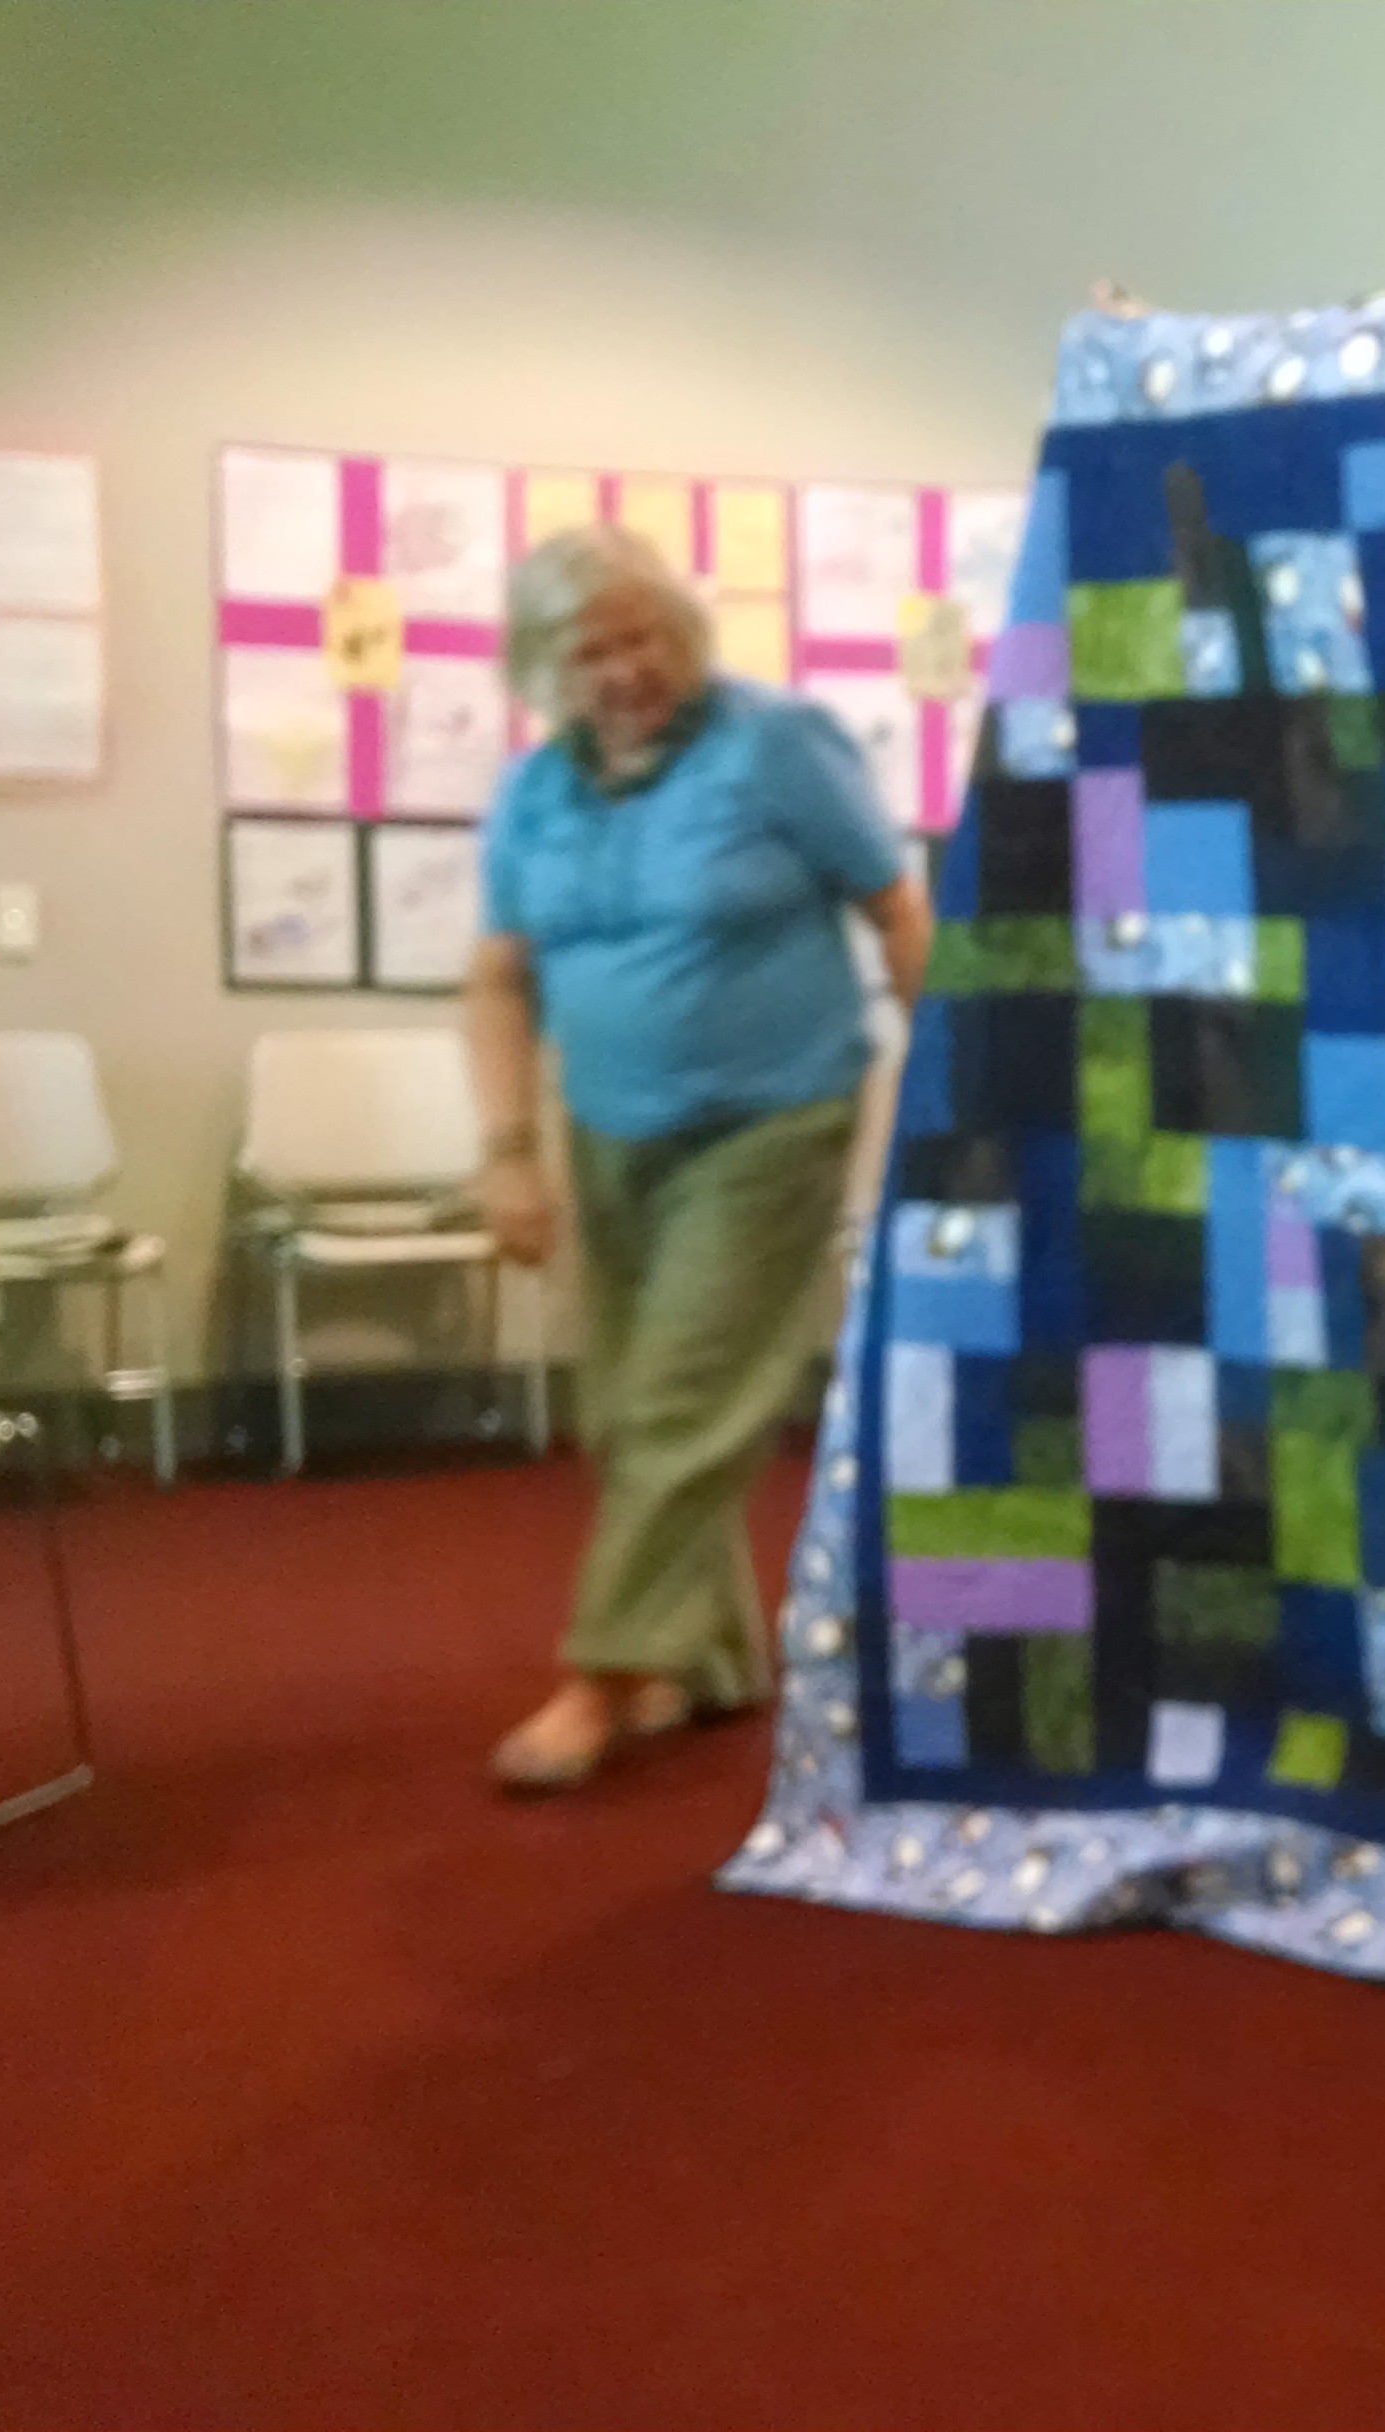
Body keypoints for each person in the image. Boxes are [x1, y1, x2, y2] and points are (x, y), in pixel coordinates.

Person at [469, 525, 931, 1792]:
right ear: (544, 668)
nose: (628, 668)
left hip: (770, 1120)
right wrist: (509, 1153)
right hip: (610, 1125)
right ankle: (715, 1655)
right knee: (628, 1410)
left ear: (686, 631)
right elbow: (500, 975)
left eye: (646, 636)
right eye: (593, 650)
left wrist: (953, 1095)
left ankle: (603, 1672)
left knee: (683, 1399)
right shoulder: (537, 791)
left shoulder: (777, 744)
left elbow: (893, 907)